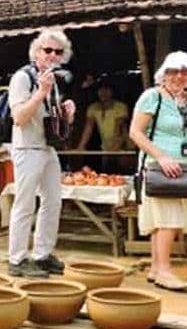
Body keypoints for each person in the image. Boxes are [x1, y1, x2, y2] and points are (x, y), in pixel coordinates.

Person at [129, 51, 187, 291]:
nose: (179, 76)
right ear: (164, 74)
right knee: (168, 219)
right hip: (159, 166)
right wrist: (161, 157)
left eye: (185, 72)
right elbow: (135, 132)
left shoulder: (183, 102)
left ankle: (155, 267)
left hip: (182, 166)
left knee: (165, 220)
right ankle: (164, 270)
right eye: (174, 71)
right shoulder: (152, 97)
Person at [7, 28, 76, 278]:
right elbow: (19, 117)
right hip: (27, 147)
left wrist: (66, 114)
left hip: (47, 147)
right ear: (36, 52)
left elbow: (50, 122)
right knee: (25, 203)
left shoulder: (53, 80)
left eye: (58, 52)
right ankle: (16, 259)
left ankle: (42, 254)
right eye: (47, 50)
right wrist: (41, 93)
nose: (52, 55)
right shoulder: (23, 78)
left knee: (53, 201)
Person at [76, 80, 130, 152]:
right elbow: (88, 128)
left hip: (123, 145)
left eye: (107, 90)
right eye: (101, 90)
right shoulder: (93, 107)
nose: (104, 92)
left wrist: (115, 146)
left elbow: (119, 128)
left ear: (112, 91)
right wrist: (81, 146)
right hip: (106, 146)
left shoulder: (120, 107)